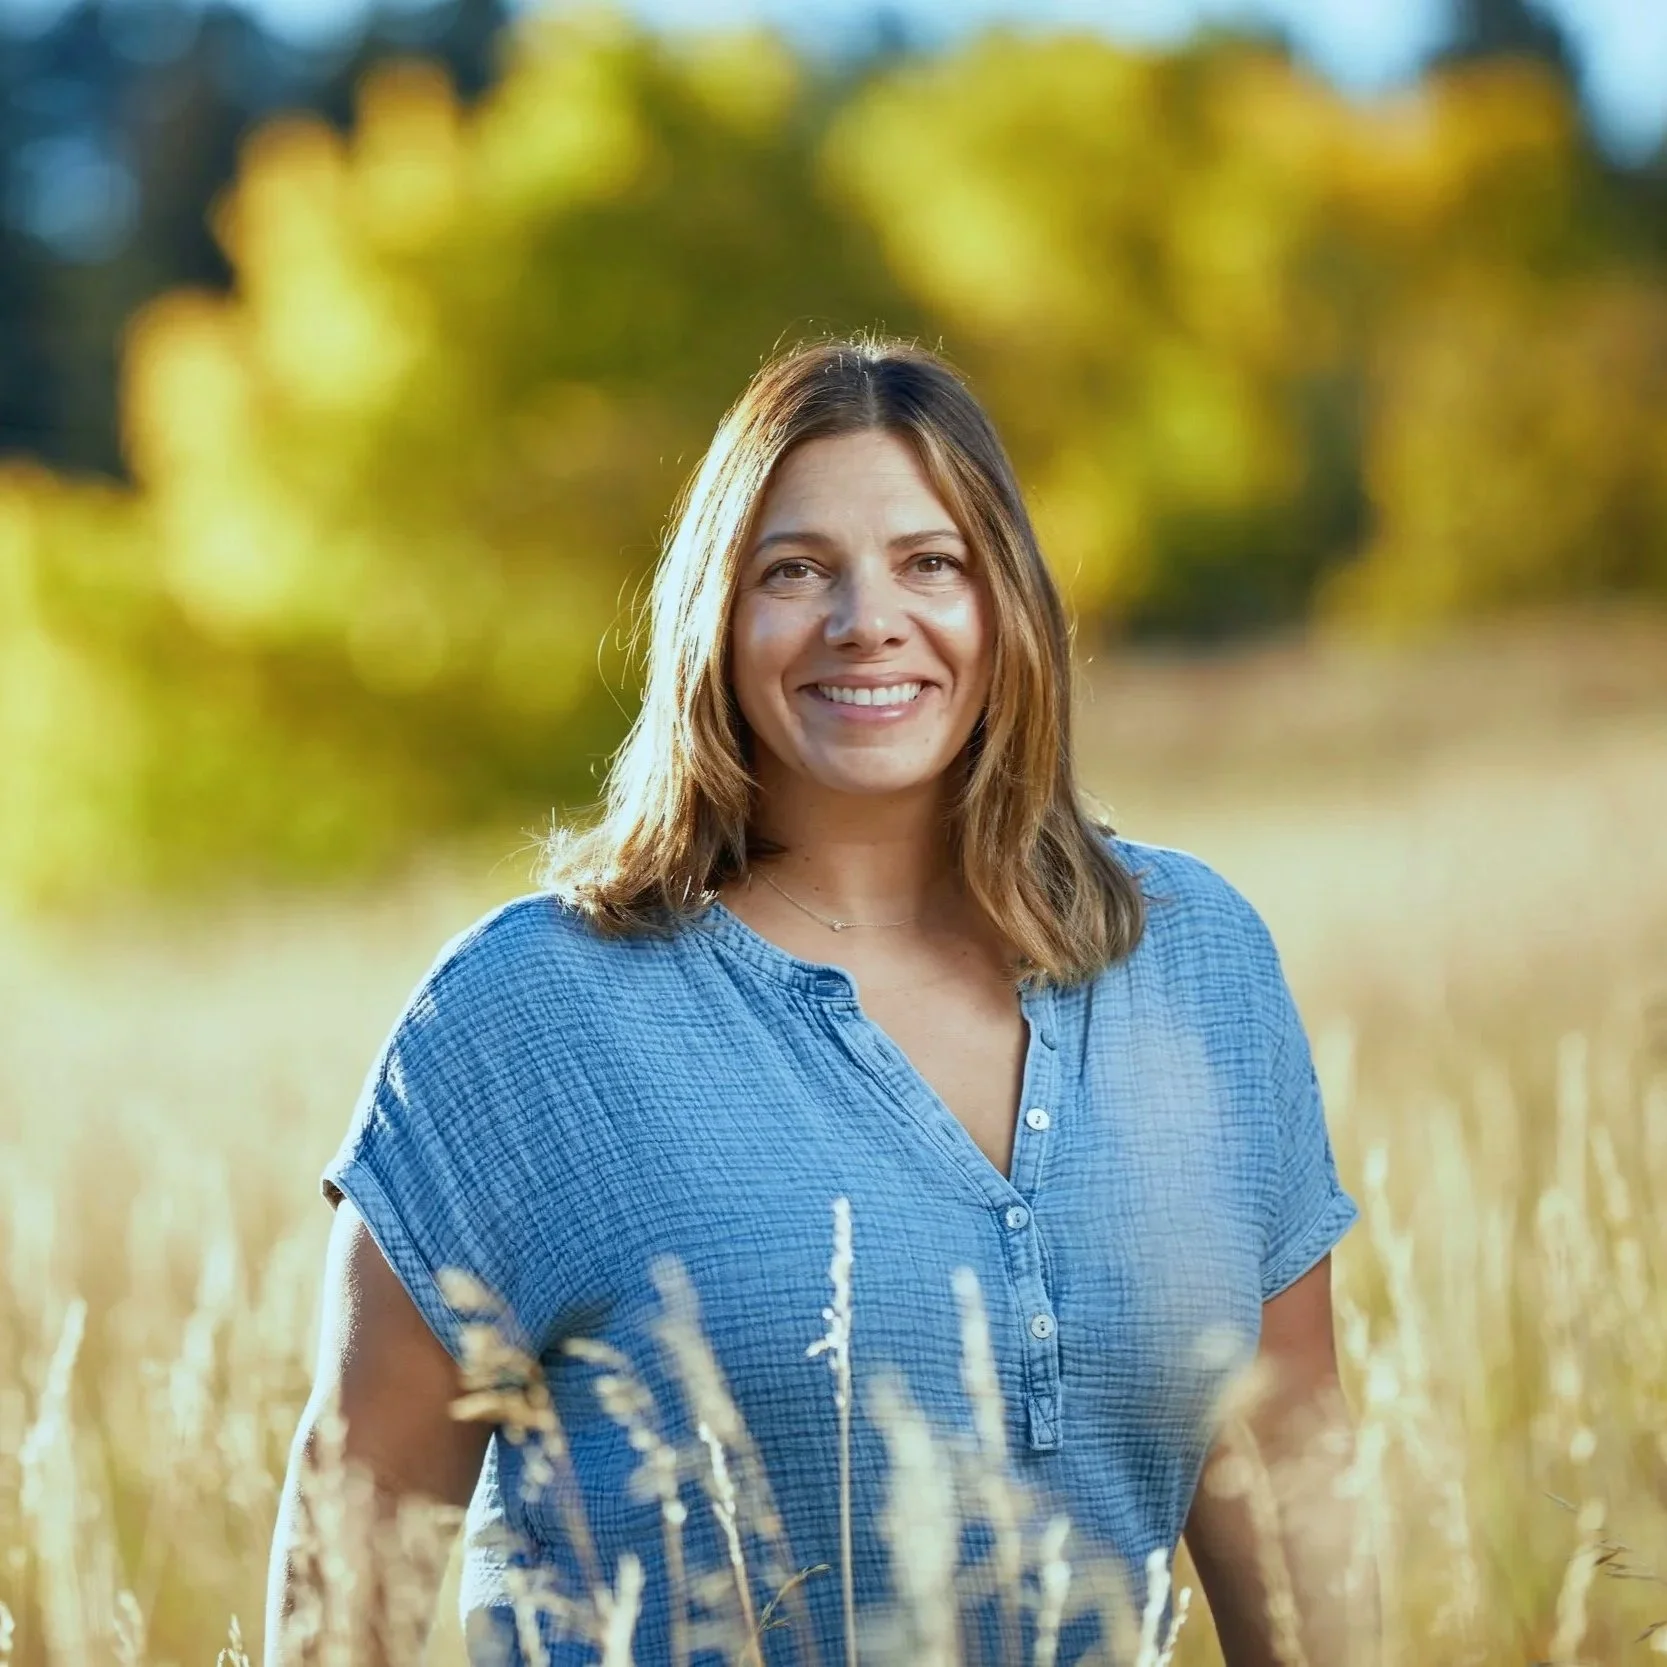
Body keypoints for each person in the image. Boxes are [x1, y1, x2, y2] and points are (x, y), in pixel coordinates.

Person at [267, 335, 1377, 1666]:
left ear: (1005, 602)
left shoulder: (1191, 962)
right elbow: (347, 1576)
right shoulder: (532, 1015)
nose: (867, 620)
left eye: (930, 562)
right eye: (794, 571)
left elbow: (1297, 1505)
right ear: (715, 617)